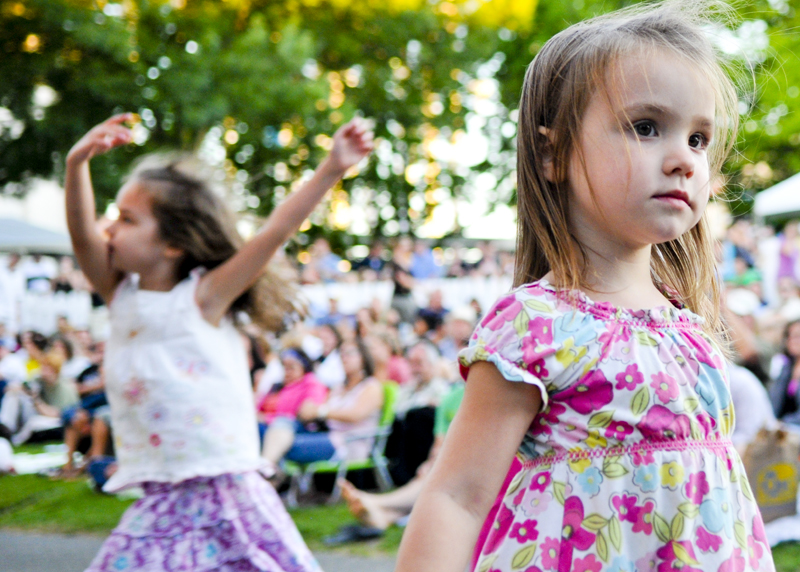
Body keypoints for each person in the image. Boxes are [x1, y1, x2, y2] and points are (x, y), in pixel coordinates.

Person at [395, 3, 774, 572]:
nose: (683, 161)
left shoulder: (689, 324)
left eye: (699, 139)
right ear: (553, 153)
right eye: (646, 127)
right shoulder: (535, 324)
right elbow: (457, 497)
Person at [65, 112, 373, 572]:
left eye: (127, 219)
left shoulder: (203, 297)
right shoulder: (119, 296)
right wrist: (76, 166)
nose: (109, 229)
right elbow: (82, 235)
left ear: (172, 244)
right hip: (160, 494)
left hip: (224, 489)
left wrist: (332, 168)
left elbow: (274, 232)